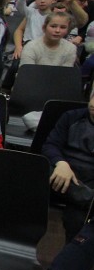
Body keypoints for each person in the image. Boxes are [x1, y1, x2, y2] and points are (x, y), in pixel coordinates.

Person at [42, 92, 94, 241]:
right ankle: (90, 201)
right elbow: (50, 145)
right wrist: (61, 163)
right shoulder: (71, 117)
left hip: (89, 180)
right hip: (61, 172)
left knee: (76, 219)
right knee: (38, 169)